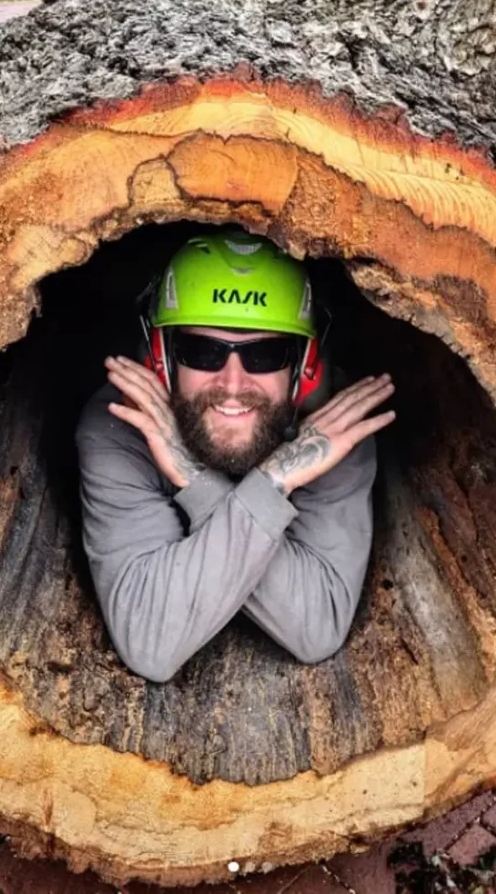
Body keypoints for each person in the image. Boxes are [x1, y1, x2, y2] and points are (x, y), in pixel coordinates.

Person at [75, 230, 395, 683]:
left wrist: (216, 479)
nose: (232, 383)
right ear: (162, 360)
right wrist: (269, 487)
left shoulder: (335, 431)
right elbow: (150, 641)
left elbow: (316, 626)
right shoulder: (121, 424)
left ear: (302, 366)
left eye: (265, 354)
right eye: (202, 352)